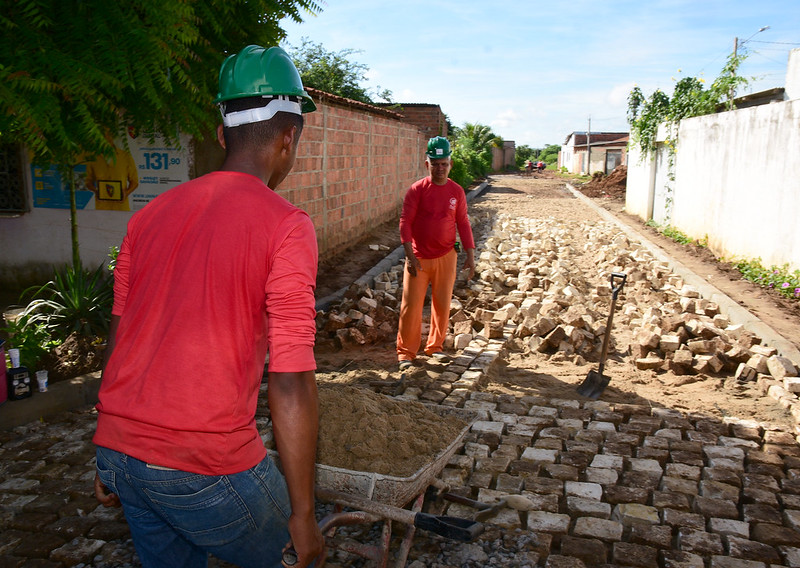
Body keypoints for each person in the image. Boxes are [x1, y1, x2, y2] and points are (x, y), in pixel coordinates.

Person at [92, 45, 324, 568]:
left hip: (121, 454)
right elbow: (289, 379)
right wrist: (304, 515)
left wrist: (109, 454)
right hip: (206, 470)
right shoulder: (286, 225)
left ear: (221, 134)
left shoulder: (146, 218)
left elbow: (118, 340)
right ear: (290, 138)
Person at [396, 136, 476, 371]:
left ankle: (435, 347)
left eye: (444, 163)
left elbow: (463, 223)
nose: (439, 168)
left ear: (450, 163)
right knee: (411, 306)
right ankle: (406, 353)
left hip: (446, 257)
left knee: (442, 304)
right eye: (435, 163)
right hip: (418, 259)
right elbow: (405, 222)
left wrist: (470, 256)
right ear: (427, 164)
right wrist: (410, 256)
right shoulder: (417, 190)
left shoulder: (456, 192)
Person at [85, 135, 139, 211]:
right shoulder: (93, 158)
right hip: (101, 208)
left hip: (121, 208)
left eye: (108, 135)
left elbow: (135, 181)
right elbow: (88, 181)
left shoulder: (125, 156)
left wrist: (126, 193)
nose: (106, 138)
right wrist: (95, 190)